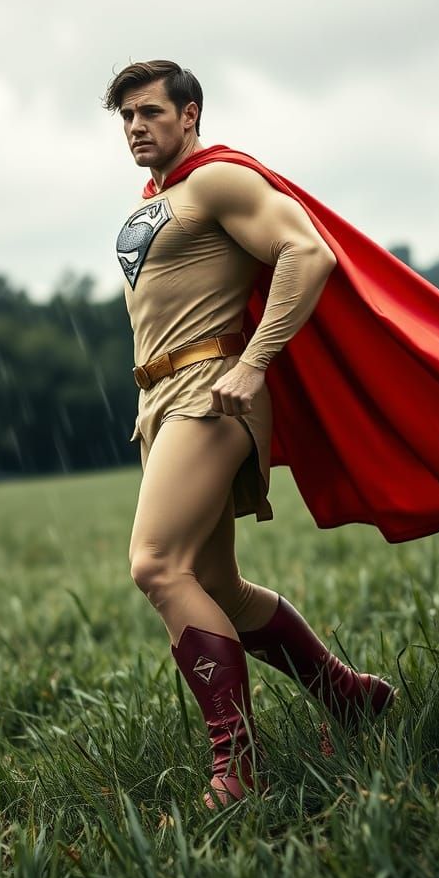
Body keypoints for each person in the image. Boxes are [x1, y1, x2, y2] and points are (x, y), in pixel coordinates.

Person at [105, 60, 396, 809]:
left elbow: (308, 252)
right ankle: (348, 695)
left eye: (149, 112)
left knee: (156, 565)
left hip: (209, 387)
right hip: (160, 396)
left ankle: (237, 767)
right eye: (126, 117)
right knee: (218, 590)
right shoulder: (160, 198)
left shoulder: (216, 180)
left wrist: (255, 362)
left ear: (189, 114)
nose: (135, 127)